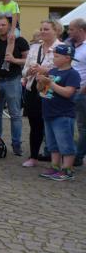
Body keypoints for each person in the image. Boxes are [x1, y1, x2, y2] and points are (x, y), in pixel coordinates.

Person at [21, 20, 64, 167]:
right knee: (35, 124)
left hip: (51, 89)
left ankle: (57, 158)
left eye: (46, 29)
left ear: (56, 31)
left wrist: (44, 70)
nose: (42, 32)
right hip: (32, 88)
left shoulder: (62, 48)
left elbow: (65, 70)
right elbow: (24, 71)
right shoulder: (34, 47)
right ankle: (33, 157)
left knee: (52, 124)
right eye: (41, 29)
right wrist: (29, 71)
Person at [35, 44, 80, 181]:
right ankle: (55, 167)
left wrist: (50, 83)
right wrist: (40, 81)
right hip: (48, 112)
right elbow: (42, 90)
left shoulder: (72, 74)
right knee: (52, 144)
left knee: (65, 143)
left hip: (63, 114)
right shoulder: (53, 71)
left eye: (56, 56)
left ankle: (67, 170)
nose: (53, 59)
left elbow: (68, 93)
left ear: (67, 58)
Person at [0, 16, 30, 156]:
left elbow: (28, 61)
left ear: (9, 26)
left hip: (12, 80)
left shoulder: (20, 41)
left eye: (3, 25)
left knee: (15, 114)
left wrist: (14, 60)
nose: (0, 27)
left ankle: (16, 144)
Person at [66, 18, 86, 166]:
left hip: (81, 92)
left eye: (71, 29)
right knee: (67, 123)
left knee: (82, 126)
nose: (69, 32)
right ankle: (70, 152)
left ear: (81, 30)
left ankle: (78, 156)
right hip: (67, 91)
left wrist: (84, 89)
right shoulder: (70, 45)